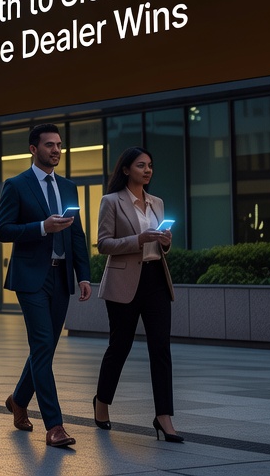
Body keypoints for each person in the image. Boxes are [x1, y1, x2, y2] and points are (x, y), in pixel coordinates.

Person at [0, 123, 91, 448]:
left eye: (59, 145)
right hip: (31, 277)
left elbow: (76, 232)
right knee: (41, 345)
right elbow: (4, 230)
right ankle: (54, 426)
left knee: (46, 347)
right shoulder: (17, 185)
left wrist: (84, 274)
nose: (56, 150)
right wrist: (41, 227)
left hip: (61, 275)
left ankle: (19, 400)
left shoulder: (68, 186)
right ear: (33, 149)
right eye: (49, 145)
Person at [94, 146, 182, 442]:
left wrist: (165, 241)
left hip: (156, 278)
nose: (147, 170)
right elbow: (103, 244)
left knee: (161, 349)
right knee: (120, 346)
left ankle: (164, 417)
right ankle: (102, 402)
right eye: (141, 165)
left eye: (150, 165)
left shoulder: (157, 202)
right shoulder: (111, 202)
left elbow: (160, 245)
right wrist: (138, 239)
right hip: (124, 282)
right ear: (126, 170)